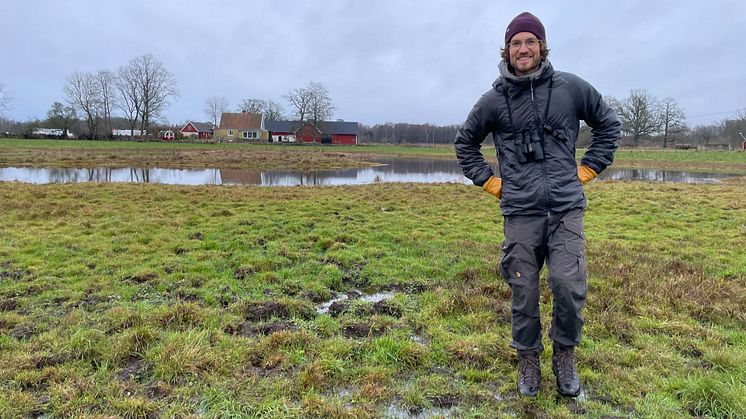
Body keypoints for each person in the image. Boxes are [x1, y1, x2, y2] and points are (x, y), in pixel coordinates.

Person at [454, 12, 620, 397]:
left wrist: (589, 168)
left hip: (565, 208)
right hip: (521, 212)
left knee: (567, 283)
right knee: (523, 289)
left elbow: (608, 125)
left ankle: (565, 355)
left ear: (542, 46)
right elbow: (465, 144)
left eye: (530, 41)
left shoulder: (570, 88)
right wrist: (492, 183)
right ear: (506, 50)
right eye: (516, 43)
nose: (523, 49)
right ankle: (528, 359)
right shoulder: (493, 100)